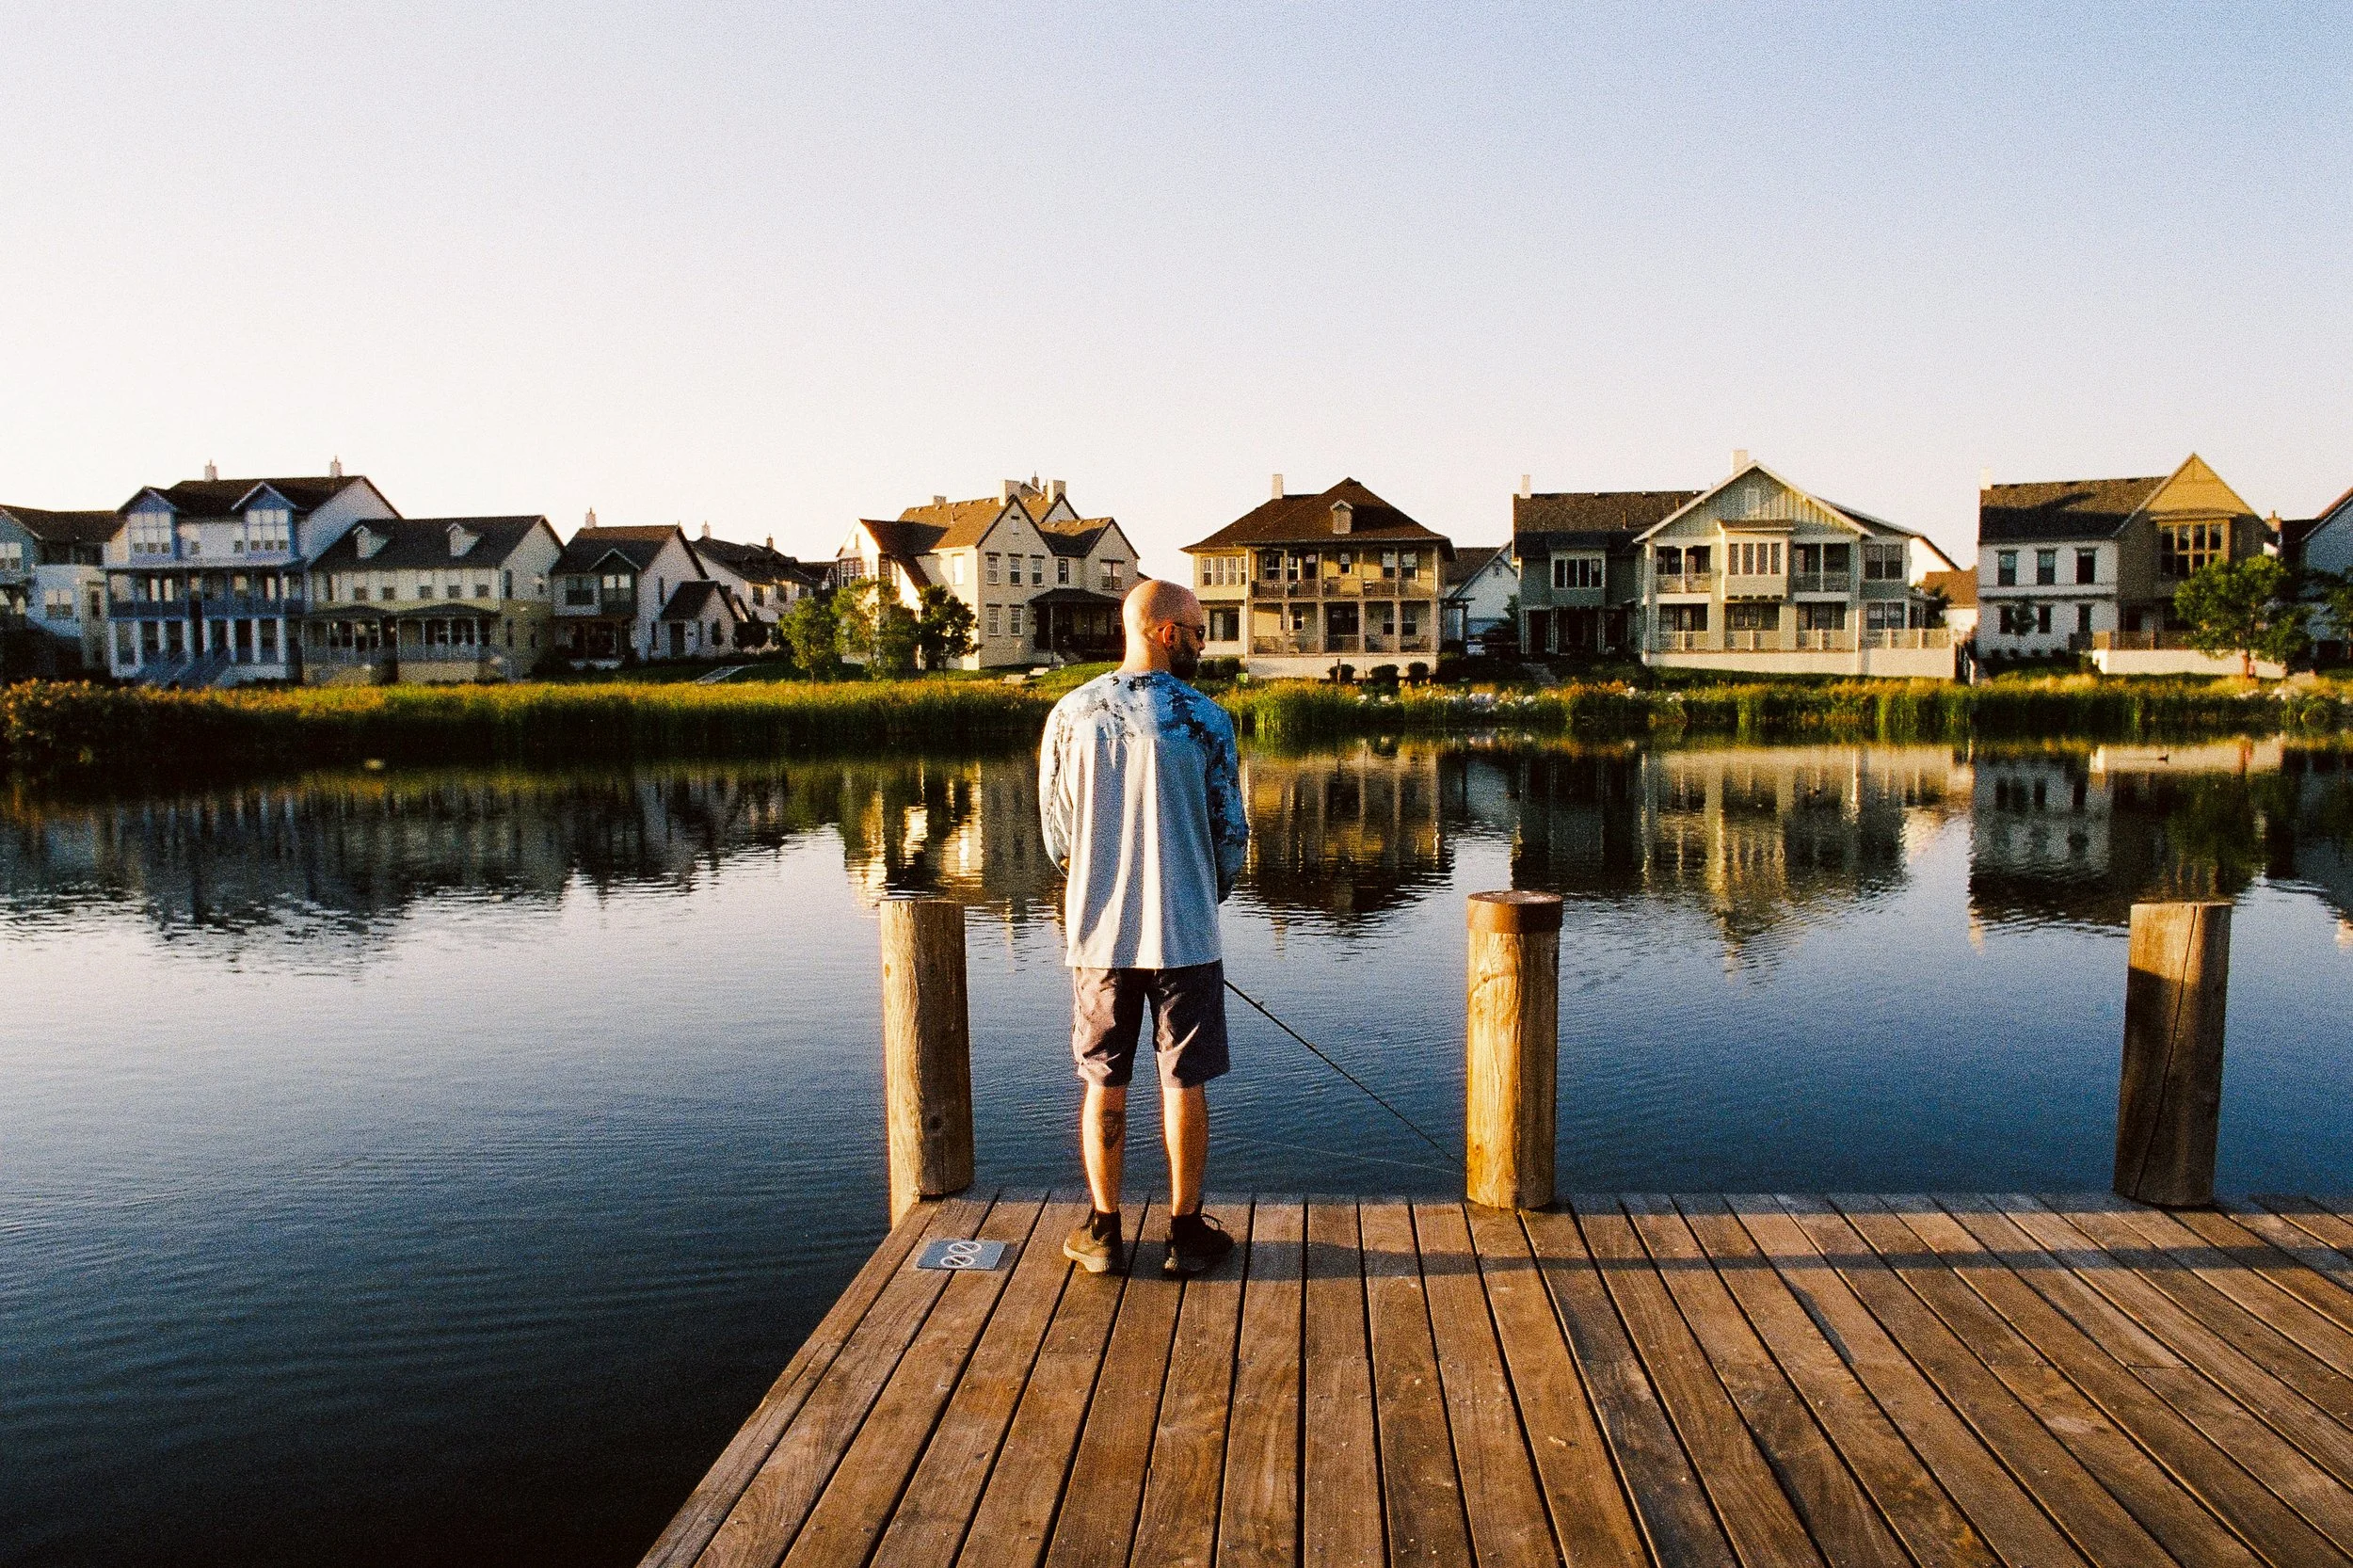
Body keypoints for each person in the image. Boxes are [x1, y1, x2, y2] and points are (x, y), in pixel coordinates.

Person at [1038, 577, 1247, 1276]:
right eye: (1194, 630)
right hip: (1187, 933)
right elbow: (1231, 838)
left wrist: (1097, 883)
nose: (1201, 643)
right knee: (1184, 1082)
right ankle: (1185, 1234)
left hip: (1098, 937)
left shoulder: (1069, 715)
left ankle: (1103, 1233)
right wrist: (1200, 893)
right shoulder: (1209, 722)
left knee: (1104, 1079)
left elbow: (1057, 836)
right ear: (1163, 631)